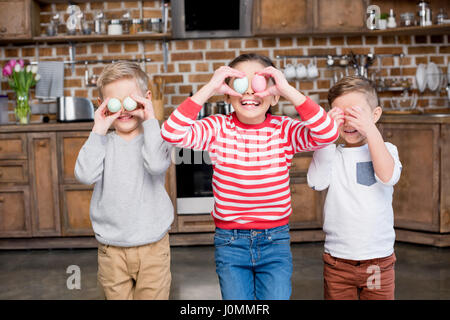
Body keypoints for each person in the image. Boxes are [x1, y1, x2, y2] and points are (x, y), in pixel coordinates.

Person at [161, 53, 339, 300]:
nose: (249, 93)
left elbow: (328, 134)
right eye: (241, 85)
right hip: (230, 243)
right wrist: (210, 87)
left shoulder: (285, 130)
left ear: (274, 95)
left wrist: (287, 89)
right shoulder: (217, 128)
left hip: (275, 240)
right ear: (227, 94)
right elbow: (171, 133)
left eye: (259, 85)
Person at [74, 61, 174, 300]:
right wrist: (98, 129)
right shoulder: (102, 143)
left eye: (131, 100)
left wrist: (150, 118)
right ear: (103, 106)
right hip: (112, 249)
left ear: (146, 98)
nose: (125, 110)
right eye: (115, 103)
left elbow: (156, 164)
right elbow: (85, 175)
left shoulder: (156, 139)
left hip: (153, 247)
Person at [307, 75, 402, 300]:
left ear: (375, 115)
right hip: (338, 262)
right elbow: (316, 182)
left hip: (377, 261)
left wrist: (371, 131)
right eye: (341, 116)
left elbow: (387, 176)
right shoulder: (332, 153)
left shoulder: (386, 149)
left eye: (356, 114)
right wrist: (326, 134)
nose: (349, 123)